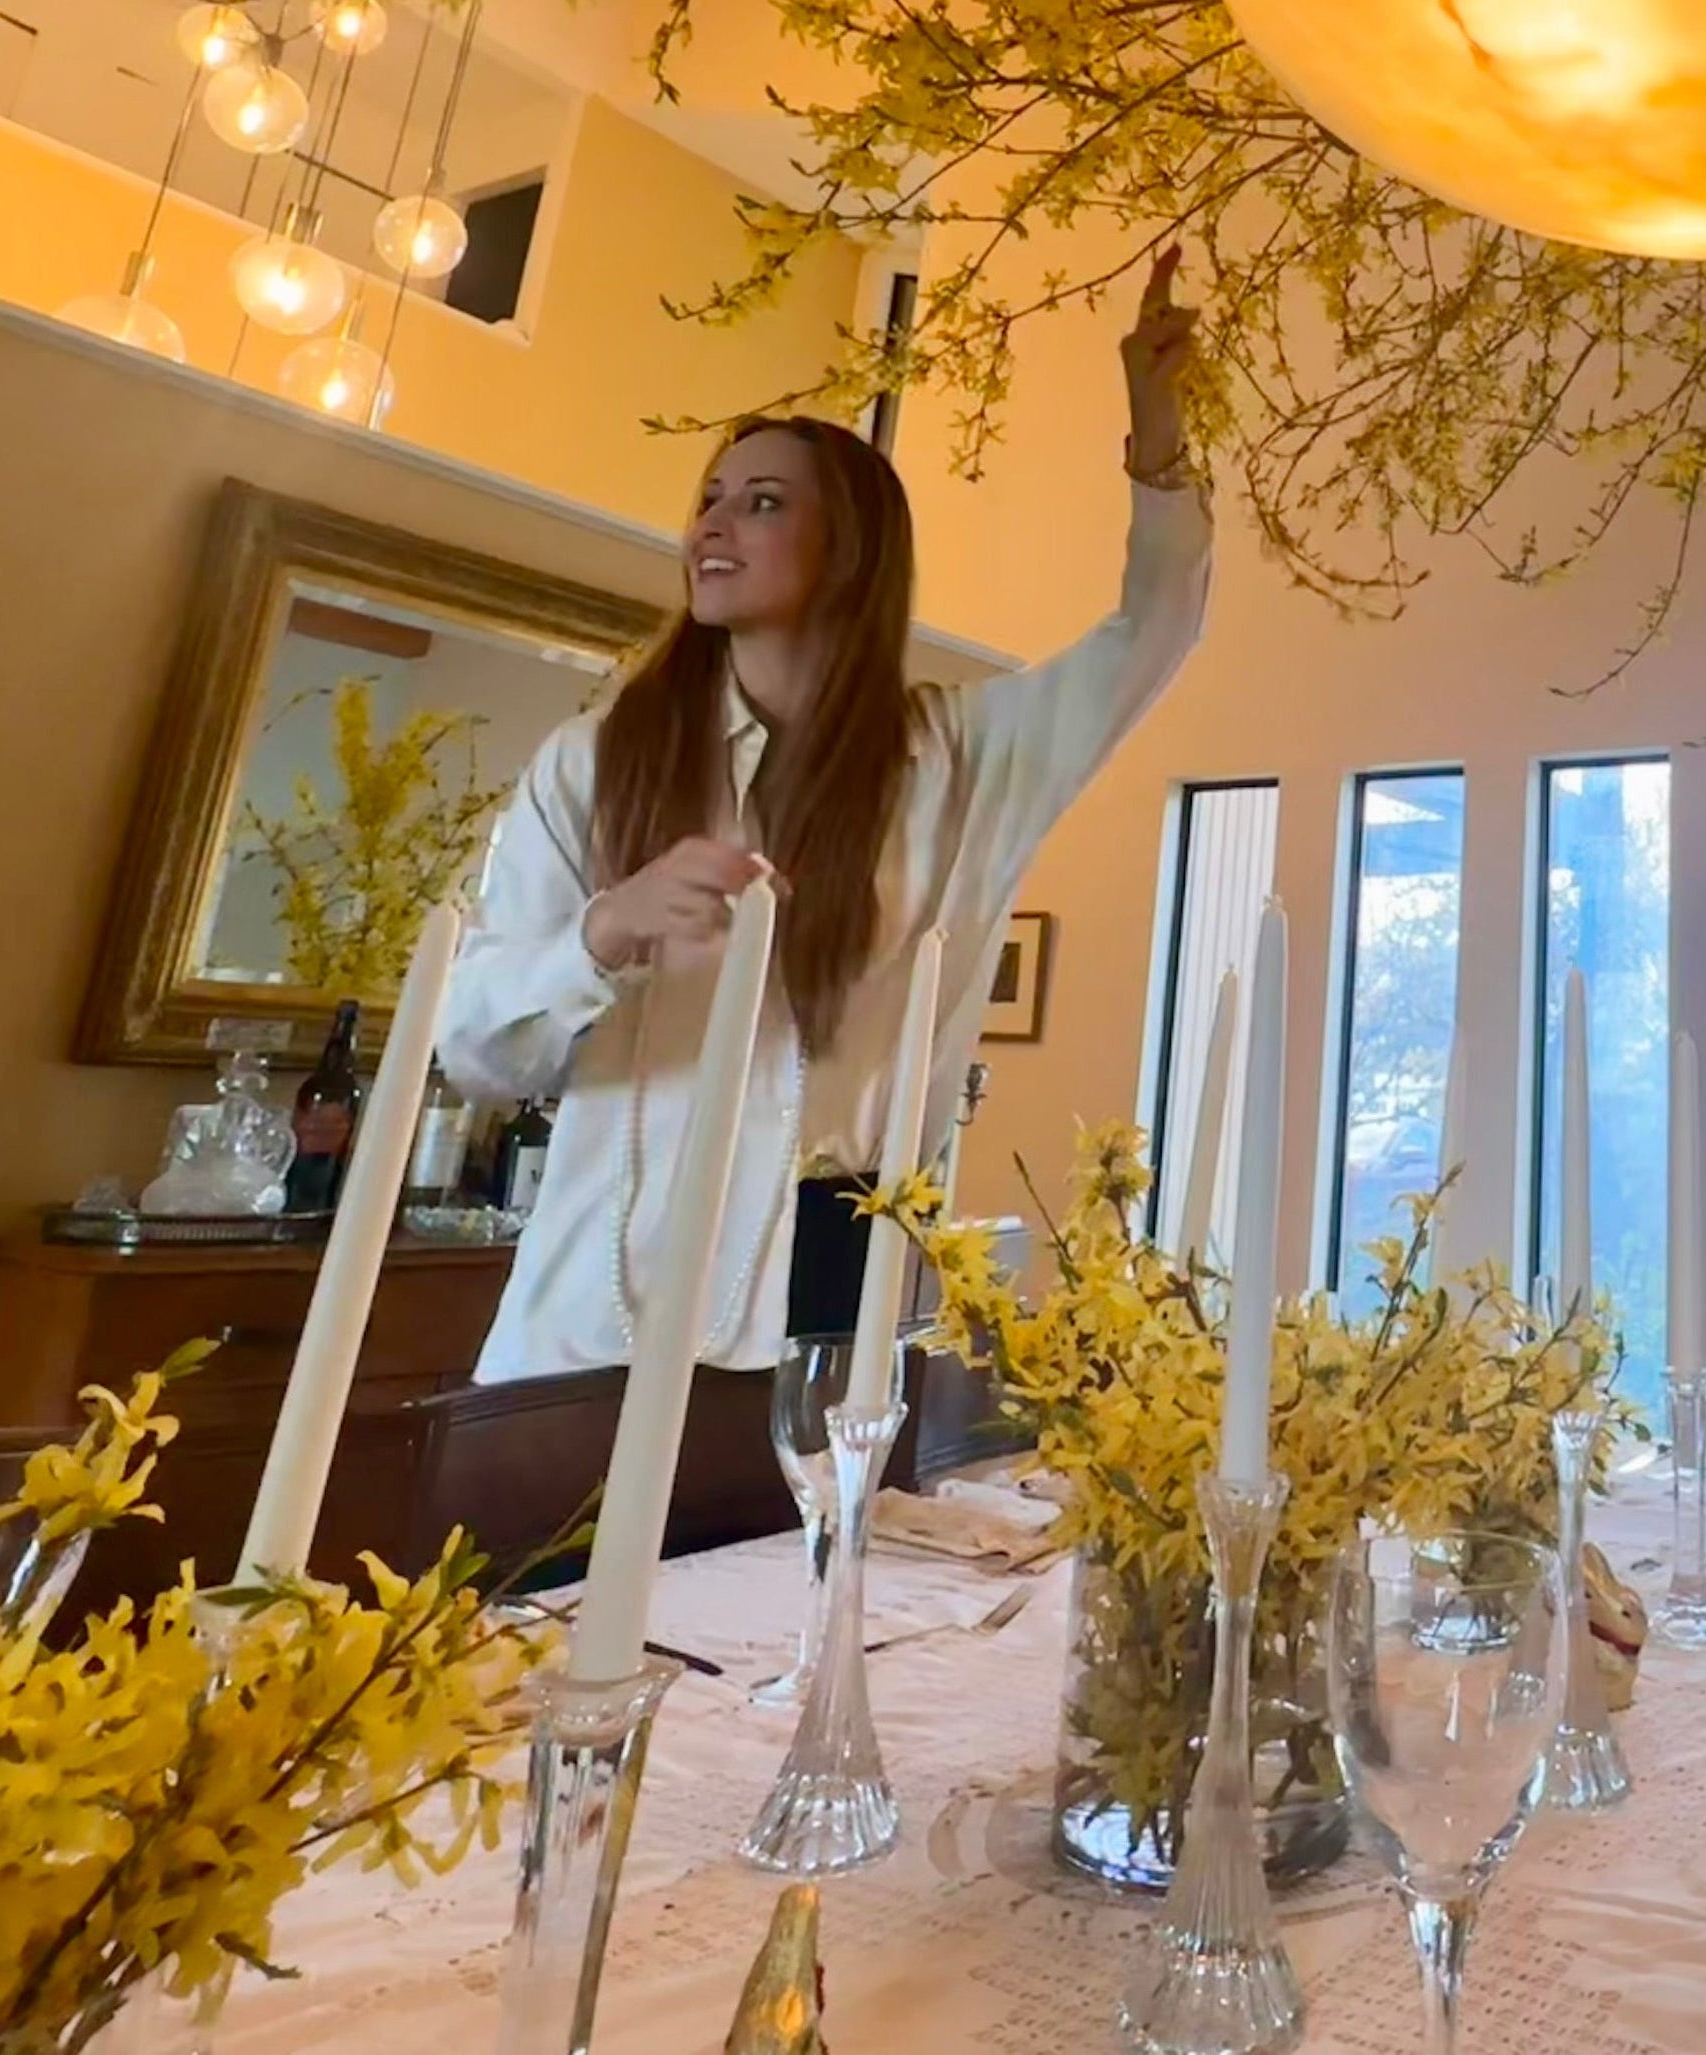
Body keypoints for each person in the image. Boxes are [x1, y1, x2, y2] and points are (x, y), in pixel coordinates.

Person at [437, 251, 1207, 1380]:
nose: (713, 523)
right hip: (592, 1307)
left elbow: (1153, 625)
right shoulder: (595, 765)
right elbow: (474, 1047)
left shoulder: (958, 757)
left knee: (819, 1559)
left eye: (760, 502)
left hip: (839, 1297)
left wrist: (1158, 442)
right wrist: (605, 931)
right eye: (708, 497)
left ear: (847, 544)